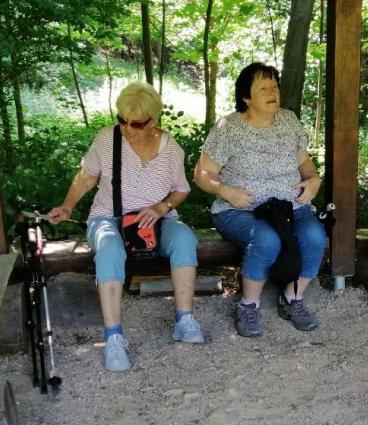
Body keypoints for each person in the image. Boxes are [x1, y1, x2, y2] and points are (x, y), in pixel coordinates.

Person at [47, 81, 204, 372]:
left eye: (137, 123)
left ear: (153, 120)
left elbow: (182, 189)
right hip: (109, 217)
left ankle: (184, 319)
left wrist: (162, 207)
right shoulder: (107, 140)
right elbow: (86, 178)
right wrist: (67, 207)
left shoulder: (171, 148)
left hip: (156, 220)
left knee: (184, 238)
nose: (128, 128)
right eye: (122, 120)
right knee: (109, 248)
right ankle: (114, 338)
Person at [193, 62, 326, 338]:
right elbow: (201, 175)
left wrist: (314, 180)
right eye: (263, 88)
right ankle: (248, 305)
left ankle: (292, 297)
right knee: (267, 239)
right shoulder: (229, 127)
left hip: (288, 206)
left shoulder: (289, 120)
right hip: (240, 208)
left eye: (274, 86)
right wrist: (225, 190)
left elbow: (305, 164)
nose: (272, 92)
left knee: (315, 236)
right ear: (246, 97)